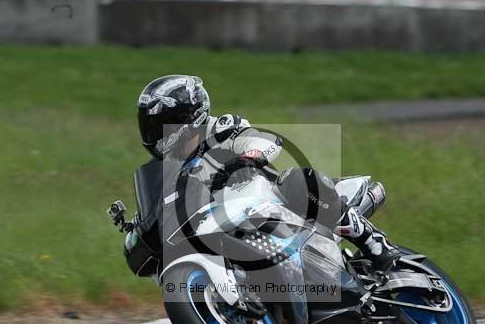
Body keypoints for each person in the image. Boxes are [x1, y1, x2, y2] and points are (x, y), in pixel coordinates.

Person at [136, 74, 401, 272]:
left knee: (297, 179)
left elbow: (267, 141)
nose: (155, 135)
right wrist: (139, 234)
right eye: (150, 127)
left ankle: (372, 242)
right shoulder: (168, 172)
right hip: (227, 229)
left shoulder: (221, 131)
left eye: (160, 126)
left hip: (274, 203)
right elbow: (161, 214)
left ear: (187, 117)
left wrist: (247, 159)